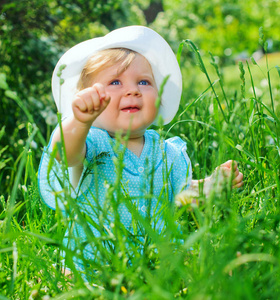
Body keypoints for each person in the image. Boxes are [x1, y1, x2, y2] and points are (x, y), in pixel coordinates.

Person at [38, 26, 243, 274]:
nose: (133, 90)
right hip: (95, 265)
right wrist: (79, 122)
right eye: (115, 82)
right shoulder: (94, 143)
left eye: (144, 82)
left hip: (157, 263)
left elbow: (179, 197)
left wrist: (209, 186)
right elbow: (64, 154)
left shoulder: (167, 152)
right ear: (88, 98)